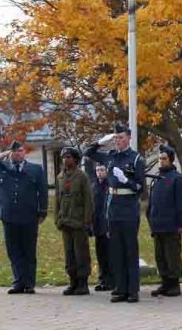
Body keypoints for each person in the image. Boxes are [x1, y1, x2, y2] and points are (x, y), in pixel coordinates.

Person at [83, 124, 145, 303]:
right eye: (116, 138)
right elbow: (88, 153)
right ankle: (120, 288)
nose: (118, 141)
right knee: (115, 250)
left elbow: (140, 187)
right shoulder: (110, 157)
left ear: (129, 138)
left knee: (130, 250)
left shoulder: (135, 159)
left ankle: (132, 290)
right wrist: (101, 142)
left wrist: (126, 180)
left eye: (121, 137)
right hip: (113, 208)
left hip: (128, 207)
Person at [0, 140, 48, 294]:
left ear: (25, 152)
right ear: (10, 153)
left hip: (28, 215)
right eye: (14, 151)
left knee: (28, 249)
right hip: (8, 215)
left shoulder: (35, 169)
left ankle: (29, 283)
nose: (17, 154)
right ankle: (18, 282)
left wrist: (43, 210)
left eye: (20, 151)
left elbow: (43, 191)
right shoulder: (1, 168)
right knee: (13, 250)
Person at [147, 145, 182, 297]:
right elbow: (152, 202)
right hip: (157, 225)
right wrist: (150, 218)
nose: (161, 162)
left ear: (171, 160)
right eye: (159, 159)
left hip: (171, 225)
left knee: (172, 256)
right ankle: (165, 282)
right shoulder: (157, 178)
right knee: (160, 256)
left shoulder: (177, 179)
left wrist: (181, 224)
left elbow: (181, 204)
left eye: (164, 159)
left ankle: (174, 284)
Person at [55, 147, 94, 296]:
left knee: (81, 253)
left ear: (75, 160)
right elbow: (58, 199)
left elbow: (88, 200)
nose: (66, 160)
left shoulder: (81, 177)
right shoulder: (60, 177)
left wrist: (87, 221)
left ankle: (83, 283)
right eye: (64, 157)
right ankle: (73, 281)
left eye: (69, 157)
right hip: (65, 221)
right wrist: (57, 219)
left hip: (78, 222)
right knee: (69, 254)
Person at [91, 163, 114, 291]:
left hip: (107, 224)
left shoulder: (109, 185)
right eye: (97, 170)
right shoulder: (94, 186)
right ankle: (102, 279)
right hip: (97, 225)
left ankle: (111, 279)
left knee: (109, 253)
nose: (99, 172)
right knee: (100, 254)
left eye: (102, 170)